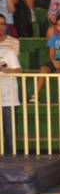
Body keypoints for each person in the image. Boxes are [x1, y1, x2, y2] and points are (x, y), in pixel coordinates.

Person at [0, 24, 20, 154]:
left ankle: (11, 159)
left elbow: (18, 71)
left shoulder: (9, 52)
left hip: (8, 98)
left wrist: (4, 69)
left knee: (9, 132)